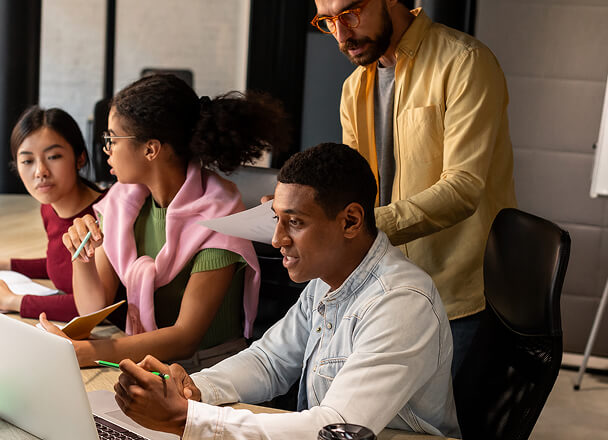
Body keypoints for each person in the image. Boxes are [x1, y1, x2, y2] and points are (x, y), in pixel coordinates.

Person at [111, 143, 461, 439]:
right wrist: (193, 388)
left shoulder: (400, 302)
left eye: (295, 222)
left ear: (350, 221)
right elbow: (269, 362)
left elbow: (334, 429)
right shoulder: (324, 282)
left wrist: (187, 417)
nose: (278, 239)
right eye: (276, 219)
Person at [312, 0, 517, 374]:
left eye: (350, 13)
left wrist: (361, 228)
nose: (341, 35)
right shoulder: (354, 87)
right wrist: (308, 208)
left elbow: (463, 188)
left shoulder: (464, 62)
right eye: (328, 21)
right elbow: (351, 188)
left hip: (454, 296)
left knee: (435, 429)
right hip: (383, 288)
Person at [39, 74, 291, 370]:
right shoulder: (122, 202)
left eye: (112, 139)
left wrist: (85, 352)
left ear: (150, 149)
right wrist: (82, 259)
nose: (106, 149)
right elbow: (94, 309)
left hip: (210, 370)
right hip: (144, 361)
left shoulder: (219, 215)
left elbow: (186, 337)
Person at [0, 106, 104, 322]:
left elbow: (96, 307)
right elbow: (60, 262)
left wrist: (12, 301)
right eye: (27, 161)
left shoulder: (107, 213)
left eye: (53, 156)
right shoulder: (49, 208)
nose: (40, 171)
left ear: (80, 158)